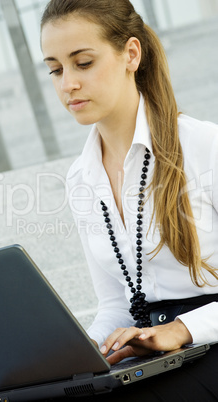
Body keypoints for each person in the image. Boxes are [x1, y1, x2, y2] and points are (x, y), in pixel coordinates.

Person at [40, 0, 218, 400]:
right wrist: (74, 359)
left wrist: (181, 329)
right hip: (147, 349)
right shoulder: (80, 179)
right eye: (54, 69)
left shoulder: (205, 145)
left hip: (208, 340)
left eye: (82, 62)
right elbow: (116, 307)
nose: (67, 83)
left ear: (131, 54)